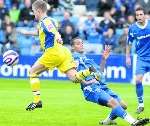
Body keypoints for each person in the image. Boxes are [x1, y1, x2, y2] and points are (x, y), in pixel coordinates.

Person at [21, 0, 95, 111]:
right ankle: (89, 73)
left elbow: (53, 31)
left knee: (32, 72)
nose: (33, 14)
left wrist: (58, 36)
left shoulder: (45, 22)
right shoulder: (52, 20)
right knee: (74, 78)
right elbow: (44, 31)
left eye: (33, 11)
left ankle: (37, 101)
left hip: (52, 52)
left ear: (39, 10)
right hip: (63, 51)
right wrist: (27, 32)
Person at [71, 37, 149, 126]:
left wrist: (104, 59)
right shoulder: (74, 59)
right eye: (78, 43)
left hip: (102, 86)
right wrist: (85, 83)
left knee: (123, 105)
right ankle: (134, 122)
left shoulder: (86, 59)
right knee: (114, 103)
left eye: (82, 43)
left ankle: (107, 122)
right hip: (91, 88)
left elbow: (100, 72)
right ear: (72, 47)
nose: (81, 45)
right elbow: (74, 77)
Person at [126, 7, 150, 114]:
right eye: (137, 15)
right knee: (138, 81)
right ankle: (141, 104)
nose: (139, 17)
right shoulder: (133, 28)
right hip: (142, 59)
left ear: (145, 15)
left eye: (141, 14)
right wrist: (127, 57)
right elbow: (129, 43)